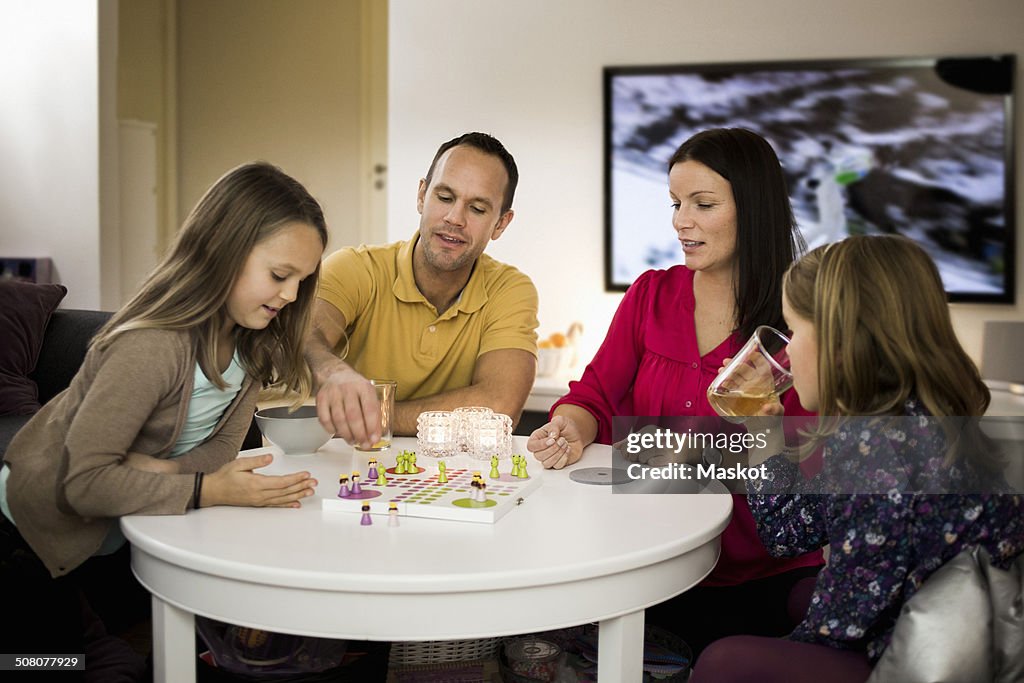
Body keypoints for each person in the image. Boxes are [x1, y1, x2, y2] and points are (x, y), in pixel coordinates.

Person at [0, 162, 325, 676]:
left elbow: (221, 453)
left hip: (111, 528)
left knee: (132, 658)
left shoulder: (251, 345)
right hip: (30, 538)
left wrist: (163, 472)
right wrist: (204, 490)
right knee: (46, 664)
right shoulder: (151, 346)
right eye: (279, 276)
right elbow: (84, 483)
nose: (289, 295)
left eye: (301, 282)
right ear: (222, 250)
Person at [526, 128, 824, 656]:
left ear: (752, 209)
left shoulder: (798, 320)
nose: (680, 221)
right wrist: (570, 425)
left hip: (756, 578)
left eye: (703, 204)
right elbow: (593, 395)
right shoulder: (650, 294)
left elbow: (804, 463)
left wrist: (654, 452)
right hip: (647, 557)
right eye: (676, 203)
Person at [690, 235, 1024, 682]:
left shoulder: (877, 451)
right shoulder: (908, 419)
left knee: (723, 660)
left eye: (796, 331)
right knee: (800, 593)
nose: (785, 354)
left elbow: (840, 626)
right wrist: (766, 436)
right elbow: (788, 536)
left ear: (840, 342)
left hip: (931, 658)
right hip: (962, 625)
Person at [305, 132, 539, 448]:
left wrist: (374, 416)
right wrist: (332, 370)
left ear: (501, 224)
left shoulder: (510, 290)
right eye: (444, 198)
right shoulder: (356, 268)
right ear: (421, 196)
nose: (454, 218)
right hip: (350, 468)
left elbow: (499, 407)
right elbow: (304, 337)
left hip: (451, 479)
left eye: (478, 209)